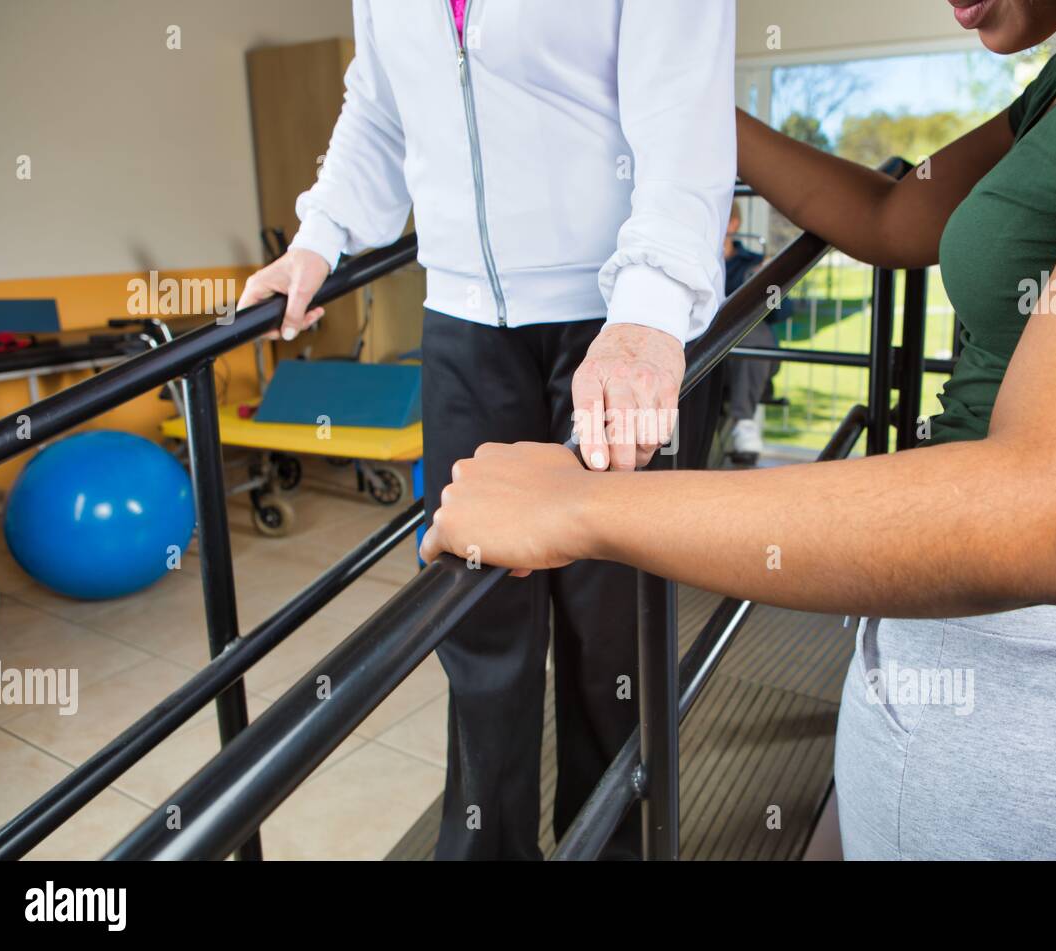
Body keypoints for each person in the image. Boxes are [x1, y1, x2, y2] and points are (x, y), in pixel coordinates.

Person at [422, 0, 1056, 859]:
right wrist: (678, 101)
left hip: (1040, 696)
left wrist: (579, 507)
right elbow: (895, 215)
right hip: (978, 653)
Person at [237, 0, 735, 860]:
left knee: (607, 632)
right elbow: (380, 108)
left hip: (611, 315)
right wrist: (317, 240)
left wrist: (651, 308)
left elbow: (682, 105)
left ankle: (613, 845)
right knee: (476, 631)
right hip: (462, 320)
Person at [721, 202, 777, 465]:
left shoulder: (754, 262)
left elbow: (781, 310)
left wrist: (762, 281)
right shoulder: (690, 262)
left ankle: (743, 422)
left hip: (741, 346)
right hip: (708, 346)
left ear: (734, 224)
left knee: (753, 335)